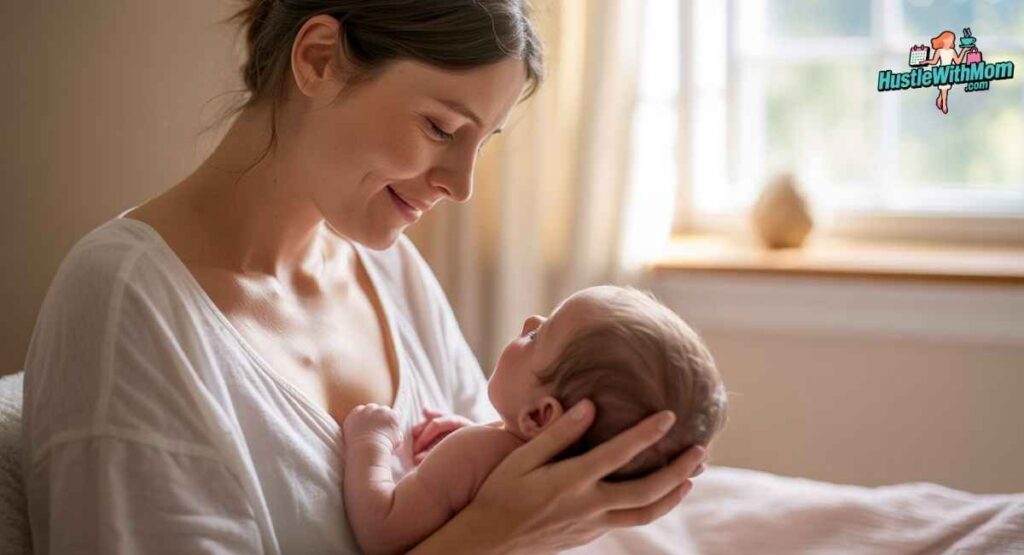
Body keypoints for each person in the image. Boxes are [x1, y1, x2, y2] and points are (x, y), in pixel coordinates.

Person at [21, 1, 707, 553]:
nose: (461, 185)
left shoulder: (387, 266)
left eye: (481, 143)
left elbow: (496, 464)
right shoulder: (125, 304)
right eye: (441, 127)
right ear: (318, 59)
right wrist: (488, 541)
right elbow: (498, 519)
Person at [342, 285, 727, 555]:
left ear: (541, 417)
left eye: (538, 336)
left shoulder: (473, 455)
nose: (529, 320)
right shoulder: (566, 497)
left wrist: (369, 444)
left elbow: (382, 532)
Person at [923, 30, 965, 114]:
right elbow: (934, 61)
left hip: (949, 71)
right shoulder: (939, 51)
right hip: (942, 71)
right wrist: (926, 61)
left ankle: (939, 99)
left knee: (944, 88)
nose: (951, 42)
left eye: (952, 40)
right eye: (949, 40)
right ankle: (944, 104)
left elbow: (957, 61)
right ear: (944, 40)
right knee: (944, 88)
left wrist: (964, 50)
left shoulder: (952, 51)